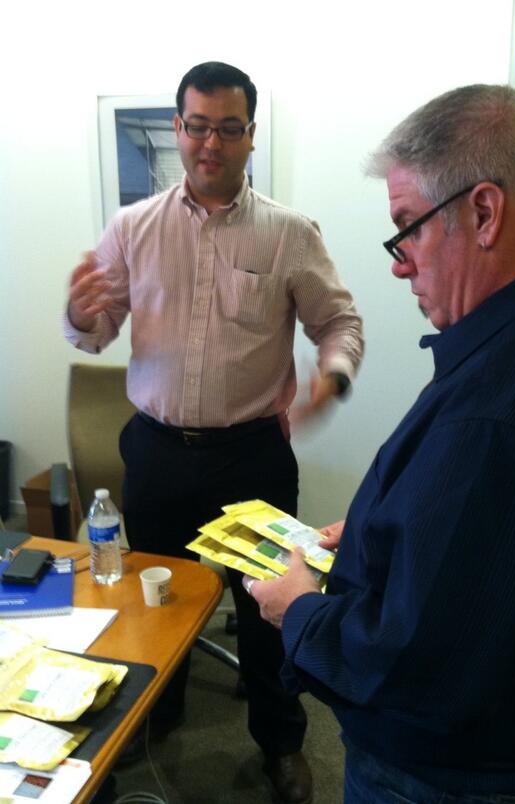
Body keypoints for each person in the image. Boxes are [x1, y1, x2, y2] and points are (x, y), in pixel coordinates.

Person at [248, 84, 515, 803]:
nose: (399, 263)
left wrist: (299, 609)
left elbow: (418, 662)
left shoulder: (507, 412)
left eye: (407, 227)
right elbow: (488, 546)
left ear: (482, 212)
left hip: (458, 774)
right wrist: (382, 534)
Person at [64, 61, 363, 803]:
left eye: (228, 129)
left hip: (252, 457)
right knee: (152, 598)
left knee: (269, 611)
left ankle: (282, 745)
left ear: (249, 136)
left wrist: (335, 374)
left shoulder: (290, 233)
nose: (210, 144)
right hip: (159, 451)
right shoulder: (133, 228)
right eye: (197, 127)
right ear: (178, 128)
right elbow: (97, 333)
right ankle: (154, 717)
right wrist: (79, 312)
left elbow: (339, 323)